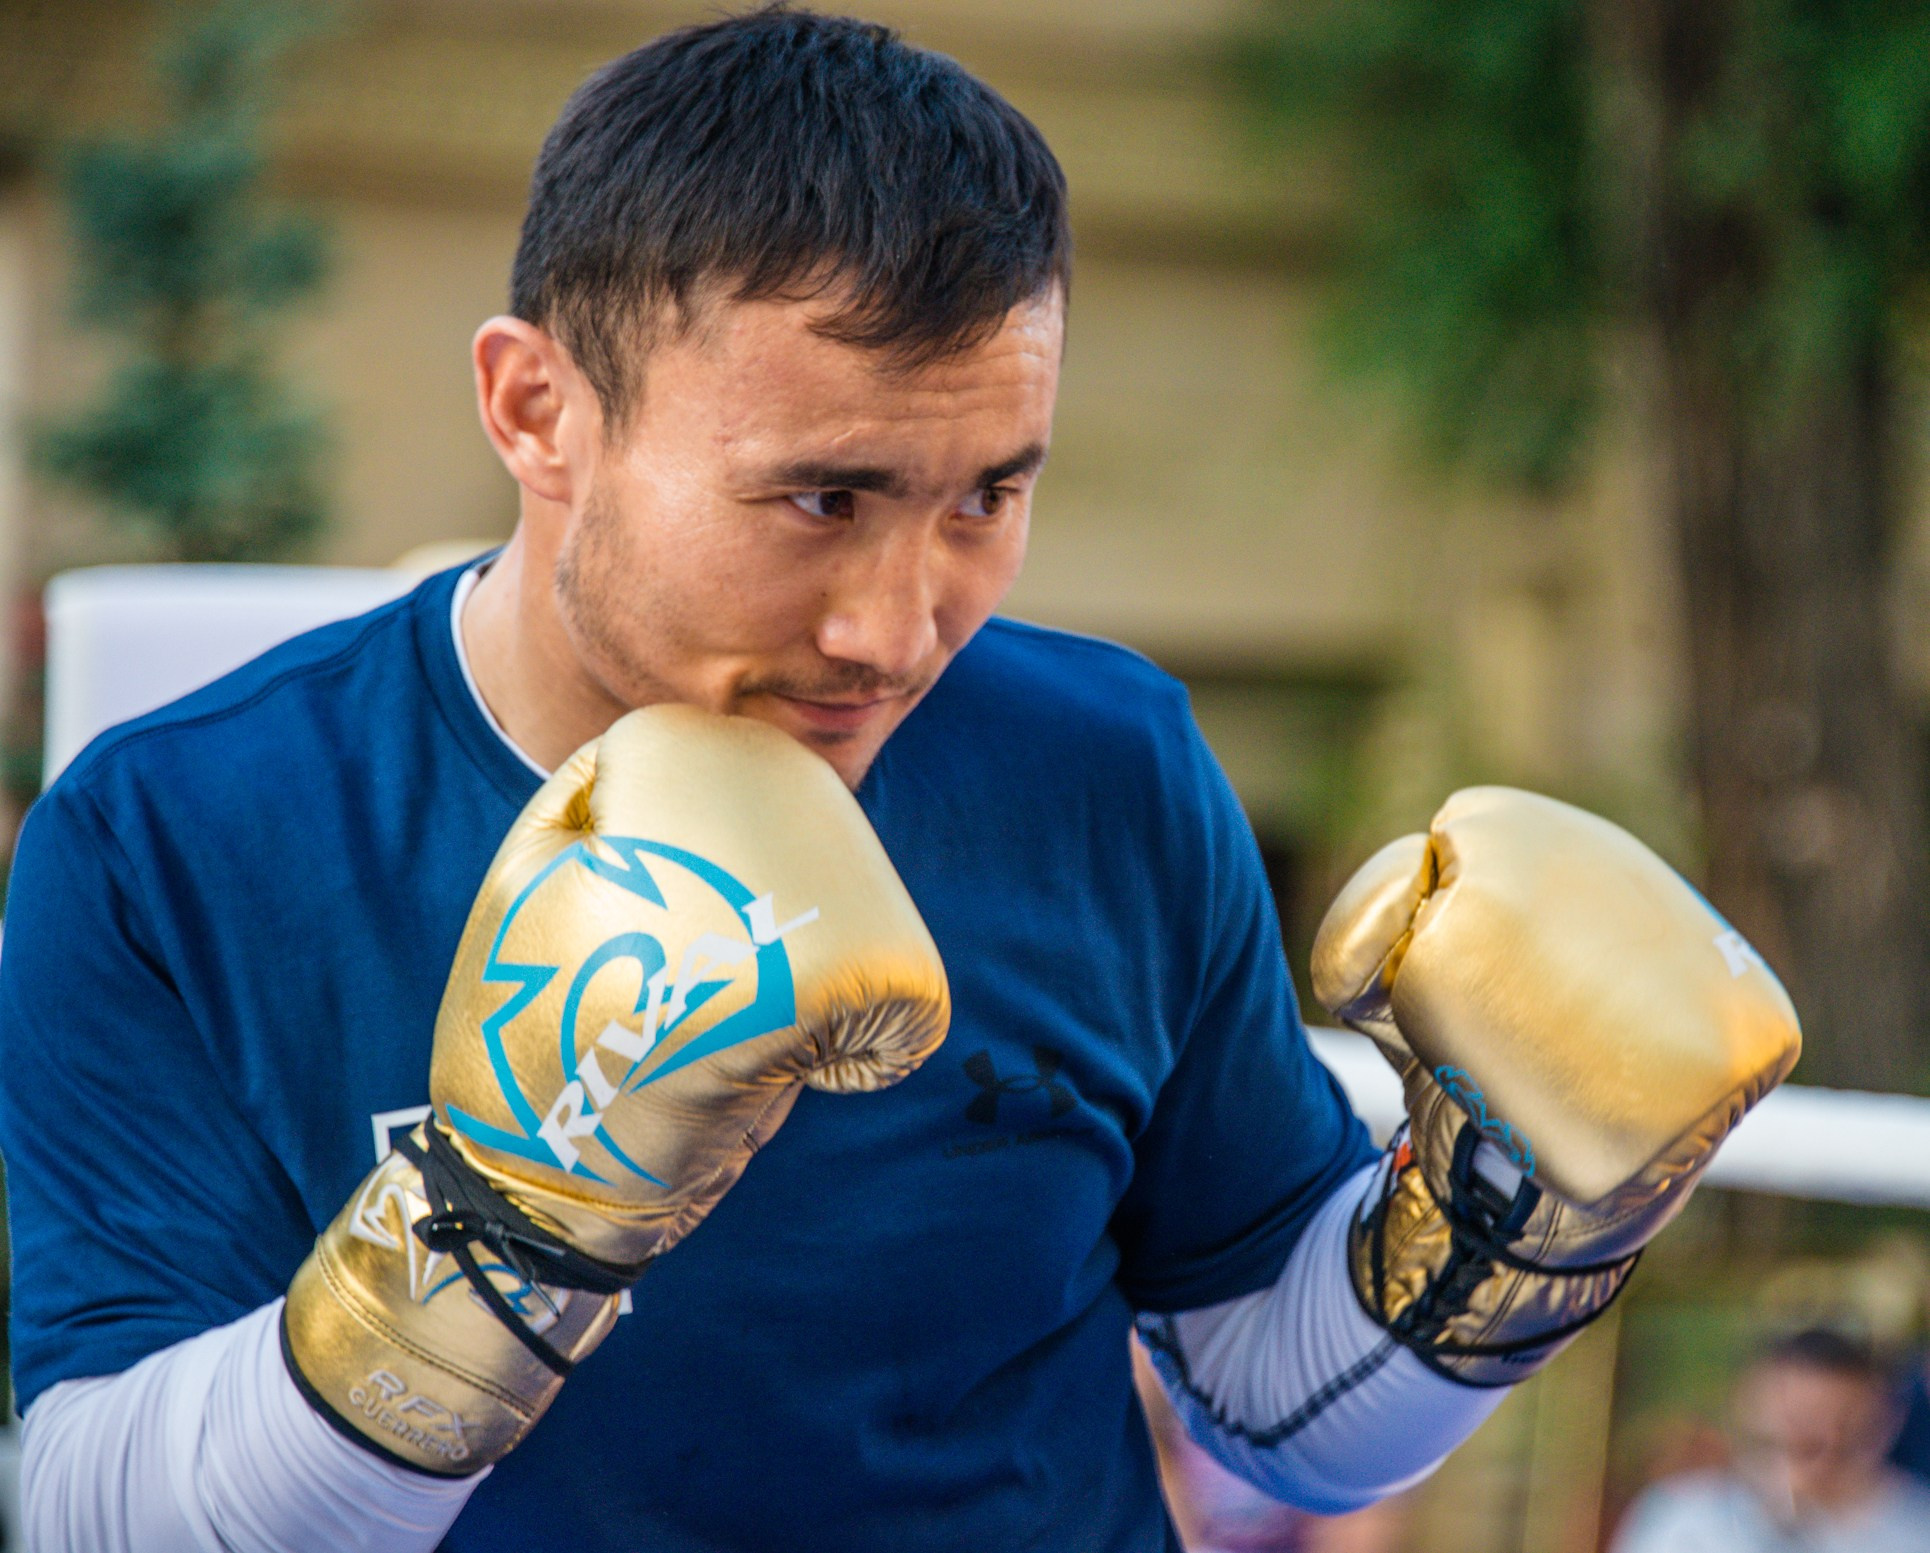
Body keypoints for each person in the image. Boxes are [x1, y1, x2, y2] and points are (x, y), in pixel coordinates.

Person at [0, 9, 1797, 1551]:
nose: (897, 626)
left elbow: (1275, 1406)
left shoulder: (1099, 767)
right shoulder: (180, 837)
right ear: (539, 411)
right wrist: (493, 1233)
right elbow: (86, 1507)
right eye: (822, 497)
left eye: (988, 495)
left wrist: (1513, 1232)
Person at [1612, 1328, 1930, 1553]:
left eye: (1842, 1421)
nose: (1820, 1436)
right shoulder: (1685, 1516)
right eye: (1797, 1417)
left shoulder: (1915, 1526)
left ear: (1883, 1418)